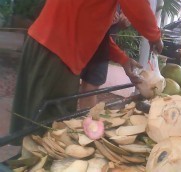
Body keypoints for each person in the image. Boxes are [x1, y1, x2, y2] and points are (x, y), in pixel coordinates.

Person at [10, 0, 163, 142]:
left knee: (37, 122)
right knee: (50, 131)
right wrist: (155, 36)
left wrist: (123, 59)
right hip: (56, 51)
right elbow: (137, 5)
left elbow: (92, 31)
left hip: (46, 46)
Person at [79, 10, 131, 109]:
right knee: (66, 89)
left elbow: (129, 15)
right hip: (79, 42)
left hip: (103, 48)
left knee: (91, 87)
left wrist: (126, 17)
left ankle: (86, 122)